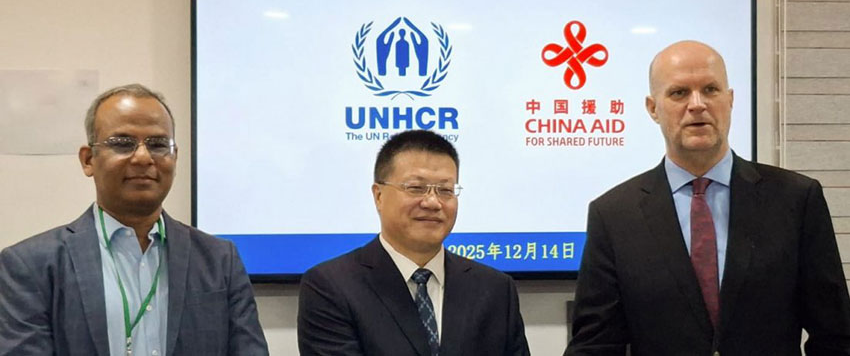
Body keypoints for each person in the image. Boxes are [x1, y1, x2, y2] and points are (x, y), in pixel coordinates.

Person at [565, 41, 850, 355]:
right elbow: (596, 345)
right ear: (653, 108)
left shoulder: (796, 199)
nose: (697, 104)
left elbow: (835, 334)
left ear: (730, 100)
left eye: (711, 89)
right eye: (679, 93)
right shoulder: (614, 215)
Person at [0, 84, 268, 355]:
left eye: (158, 144)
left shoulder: (220, 260)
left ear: (175, 157)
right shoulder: (30, 267)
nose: (143, 157)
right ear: (88, 160)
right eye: (122, 143)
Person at [298, 129, 530, 356]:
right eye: (416, 188)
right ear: (378, 196)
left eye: (445, 190)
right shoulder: (331, 286)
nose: (432, 202)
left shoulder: (496, 289)